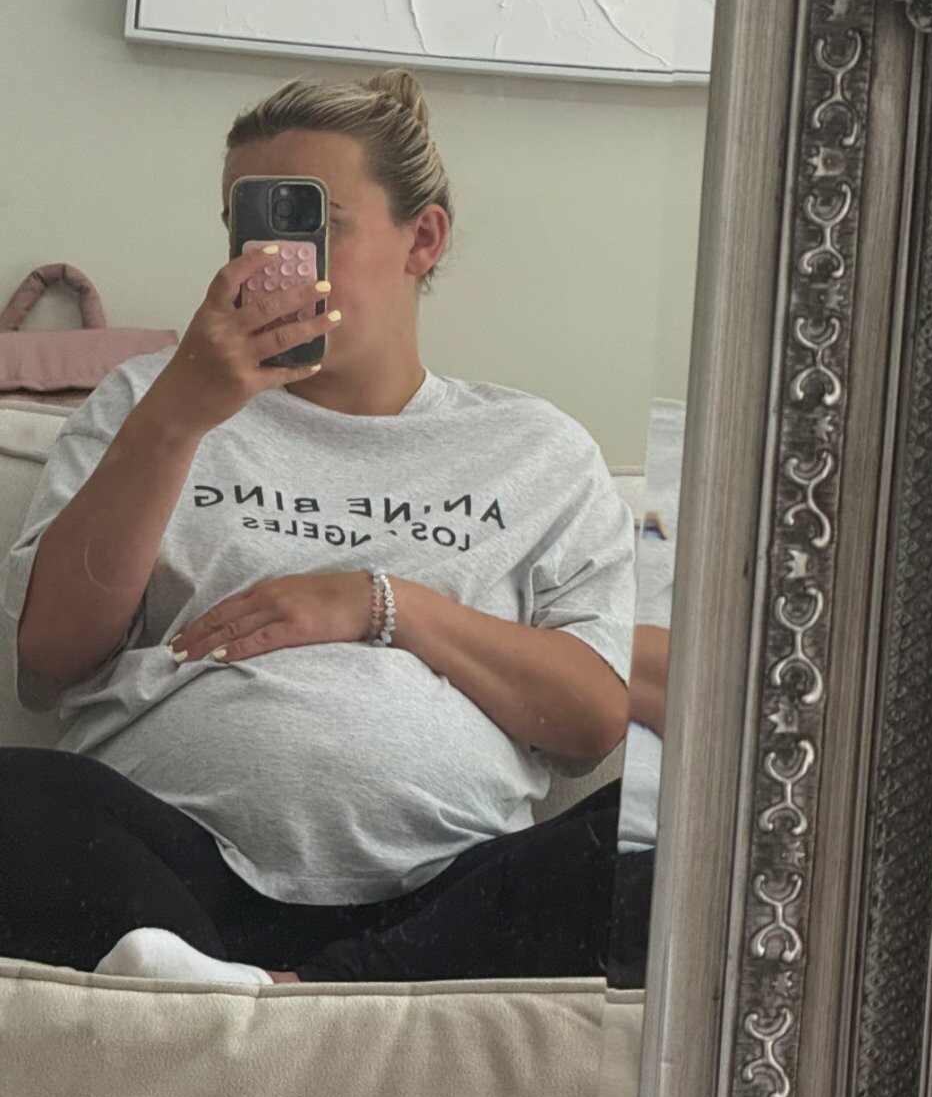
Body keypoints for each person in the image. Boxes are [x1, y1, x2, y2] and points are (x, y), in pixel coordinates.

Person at [0, 70, 636, 986]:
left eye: (314, 224)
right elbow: (52, 658)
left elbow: (590, 722)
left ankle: (292, 989)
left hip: (445, 893)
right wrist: (180, 412)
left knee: (681, 837)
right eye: (249, 226)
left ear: (423, 238)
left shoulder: (536, 448)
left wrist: (382, 606)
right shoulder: (145, 402)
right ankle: (267, 984)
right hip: (169, 868)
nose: (273, 263)